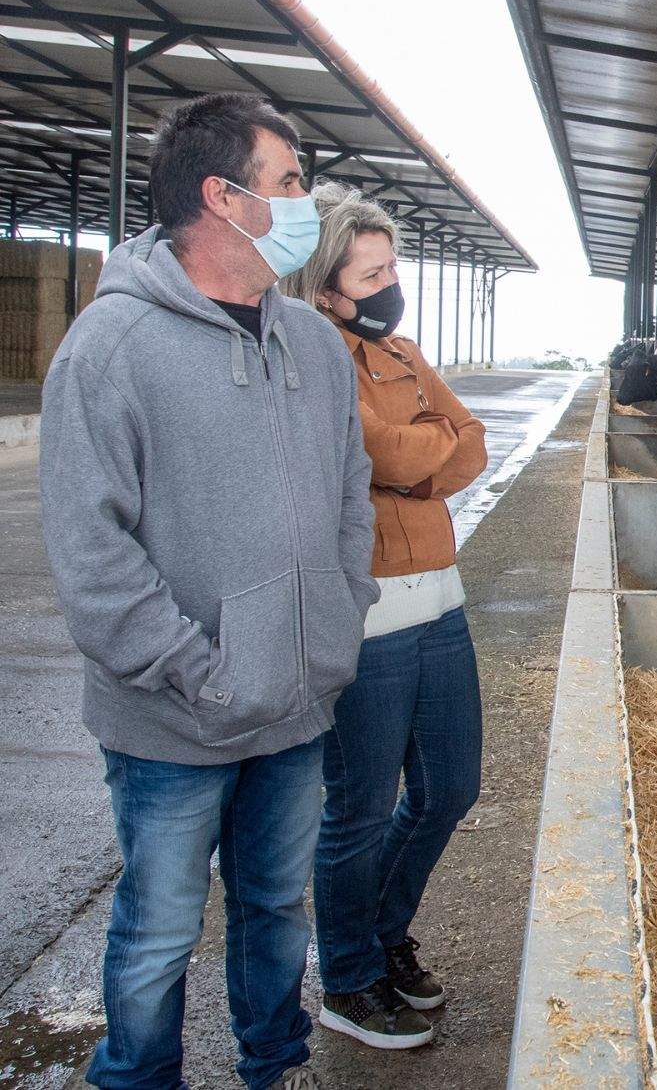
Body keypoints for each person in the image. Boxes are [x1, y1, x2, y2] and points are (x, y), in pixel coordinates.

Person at [39, 93, 371, 1090]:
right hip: (173, 721)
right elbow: (92, 557)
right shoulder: (109, 350)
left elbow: (350, 492)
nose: (305, 199)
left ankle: (276, 1066)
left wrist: (338, 619)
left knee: (277, 907)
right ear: (223, 198)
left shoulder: (310, 343)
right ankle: (139, 1078)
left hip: (298, 702)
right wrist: (203, 674)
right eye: (290, 179)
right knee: (161, 924)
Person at [279, 183, 487, 1050]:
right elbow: (375, 448)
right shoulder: (311, 354)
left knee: (450, 788)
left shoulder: (401, 351)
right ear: (327, 286)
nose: (391, 282)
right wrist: (410, 458)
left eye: (394, 264)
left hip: (439, 597)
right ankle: (350, 980)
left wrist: (409, 463)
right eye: (374, 270)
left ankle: (382, 932)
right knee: (359, 806)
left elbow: (468, 441)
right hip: (362, 612)